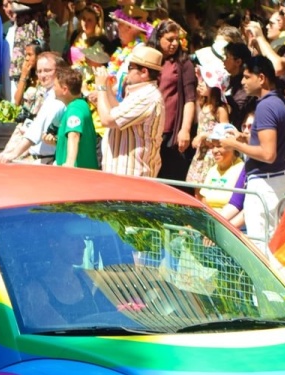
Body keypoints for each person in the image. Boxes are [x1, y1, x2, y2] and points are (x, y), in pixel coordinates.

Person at [218, 56, 285, 247]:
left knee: (260, 248)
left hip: (265, 184)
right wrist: (247, 139)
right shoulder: (280, 102)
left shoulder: (266, 105)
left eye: (246, 77)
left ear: (261, 78)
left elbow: (268, 154)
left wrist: (234, 145)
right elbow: (279, 148)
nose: (242, 82)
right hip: (276, 181)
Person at [91, 44, 165, 177]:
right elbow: (117, 112)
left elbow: (107, 120)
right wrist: (106, 87)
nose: (126, 71)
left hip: (132, 177)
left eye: (130, 67)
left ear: (144, 72)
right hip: (122, 174)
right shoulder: (140, 93)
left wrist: (101, 88)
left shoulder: (147, 96)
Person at [149, 19, 196, 184]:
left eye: (177, 39)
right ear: (158, 38)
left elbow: (190, 99)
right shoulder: (149, 59)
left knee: (170, 179)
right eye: (170, 39)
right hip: (149, 130)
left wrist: (185, 130)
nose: (174, 43)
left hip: (171, 134)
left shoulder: (184, 63)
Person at [200, 122, 247, 230]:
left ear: (232, 147)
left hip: (230, 228)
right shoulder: (212, 170)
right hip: (210, 225)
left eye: (219, 146)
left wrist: (217, 228)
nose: (215, 151)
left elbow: (240, 206)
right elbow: (204, 202)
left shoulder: (242, 170)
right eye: (212, 146)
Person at [51, 65, 98, 169]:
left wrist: (69, 163)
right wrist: (56, 141)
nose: (52, 88)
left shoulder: (75, 109)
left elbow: (74, 135)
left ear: (64, 89)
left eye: (54, 85)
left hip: (78, 177)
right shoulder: (78, 105)